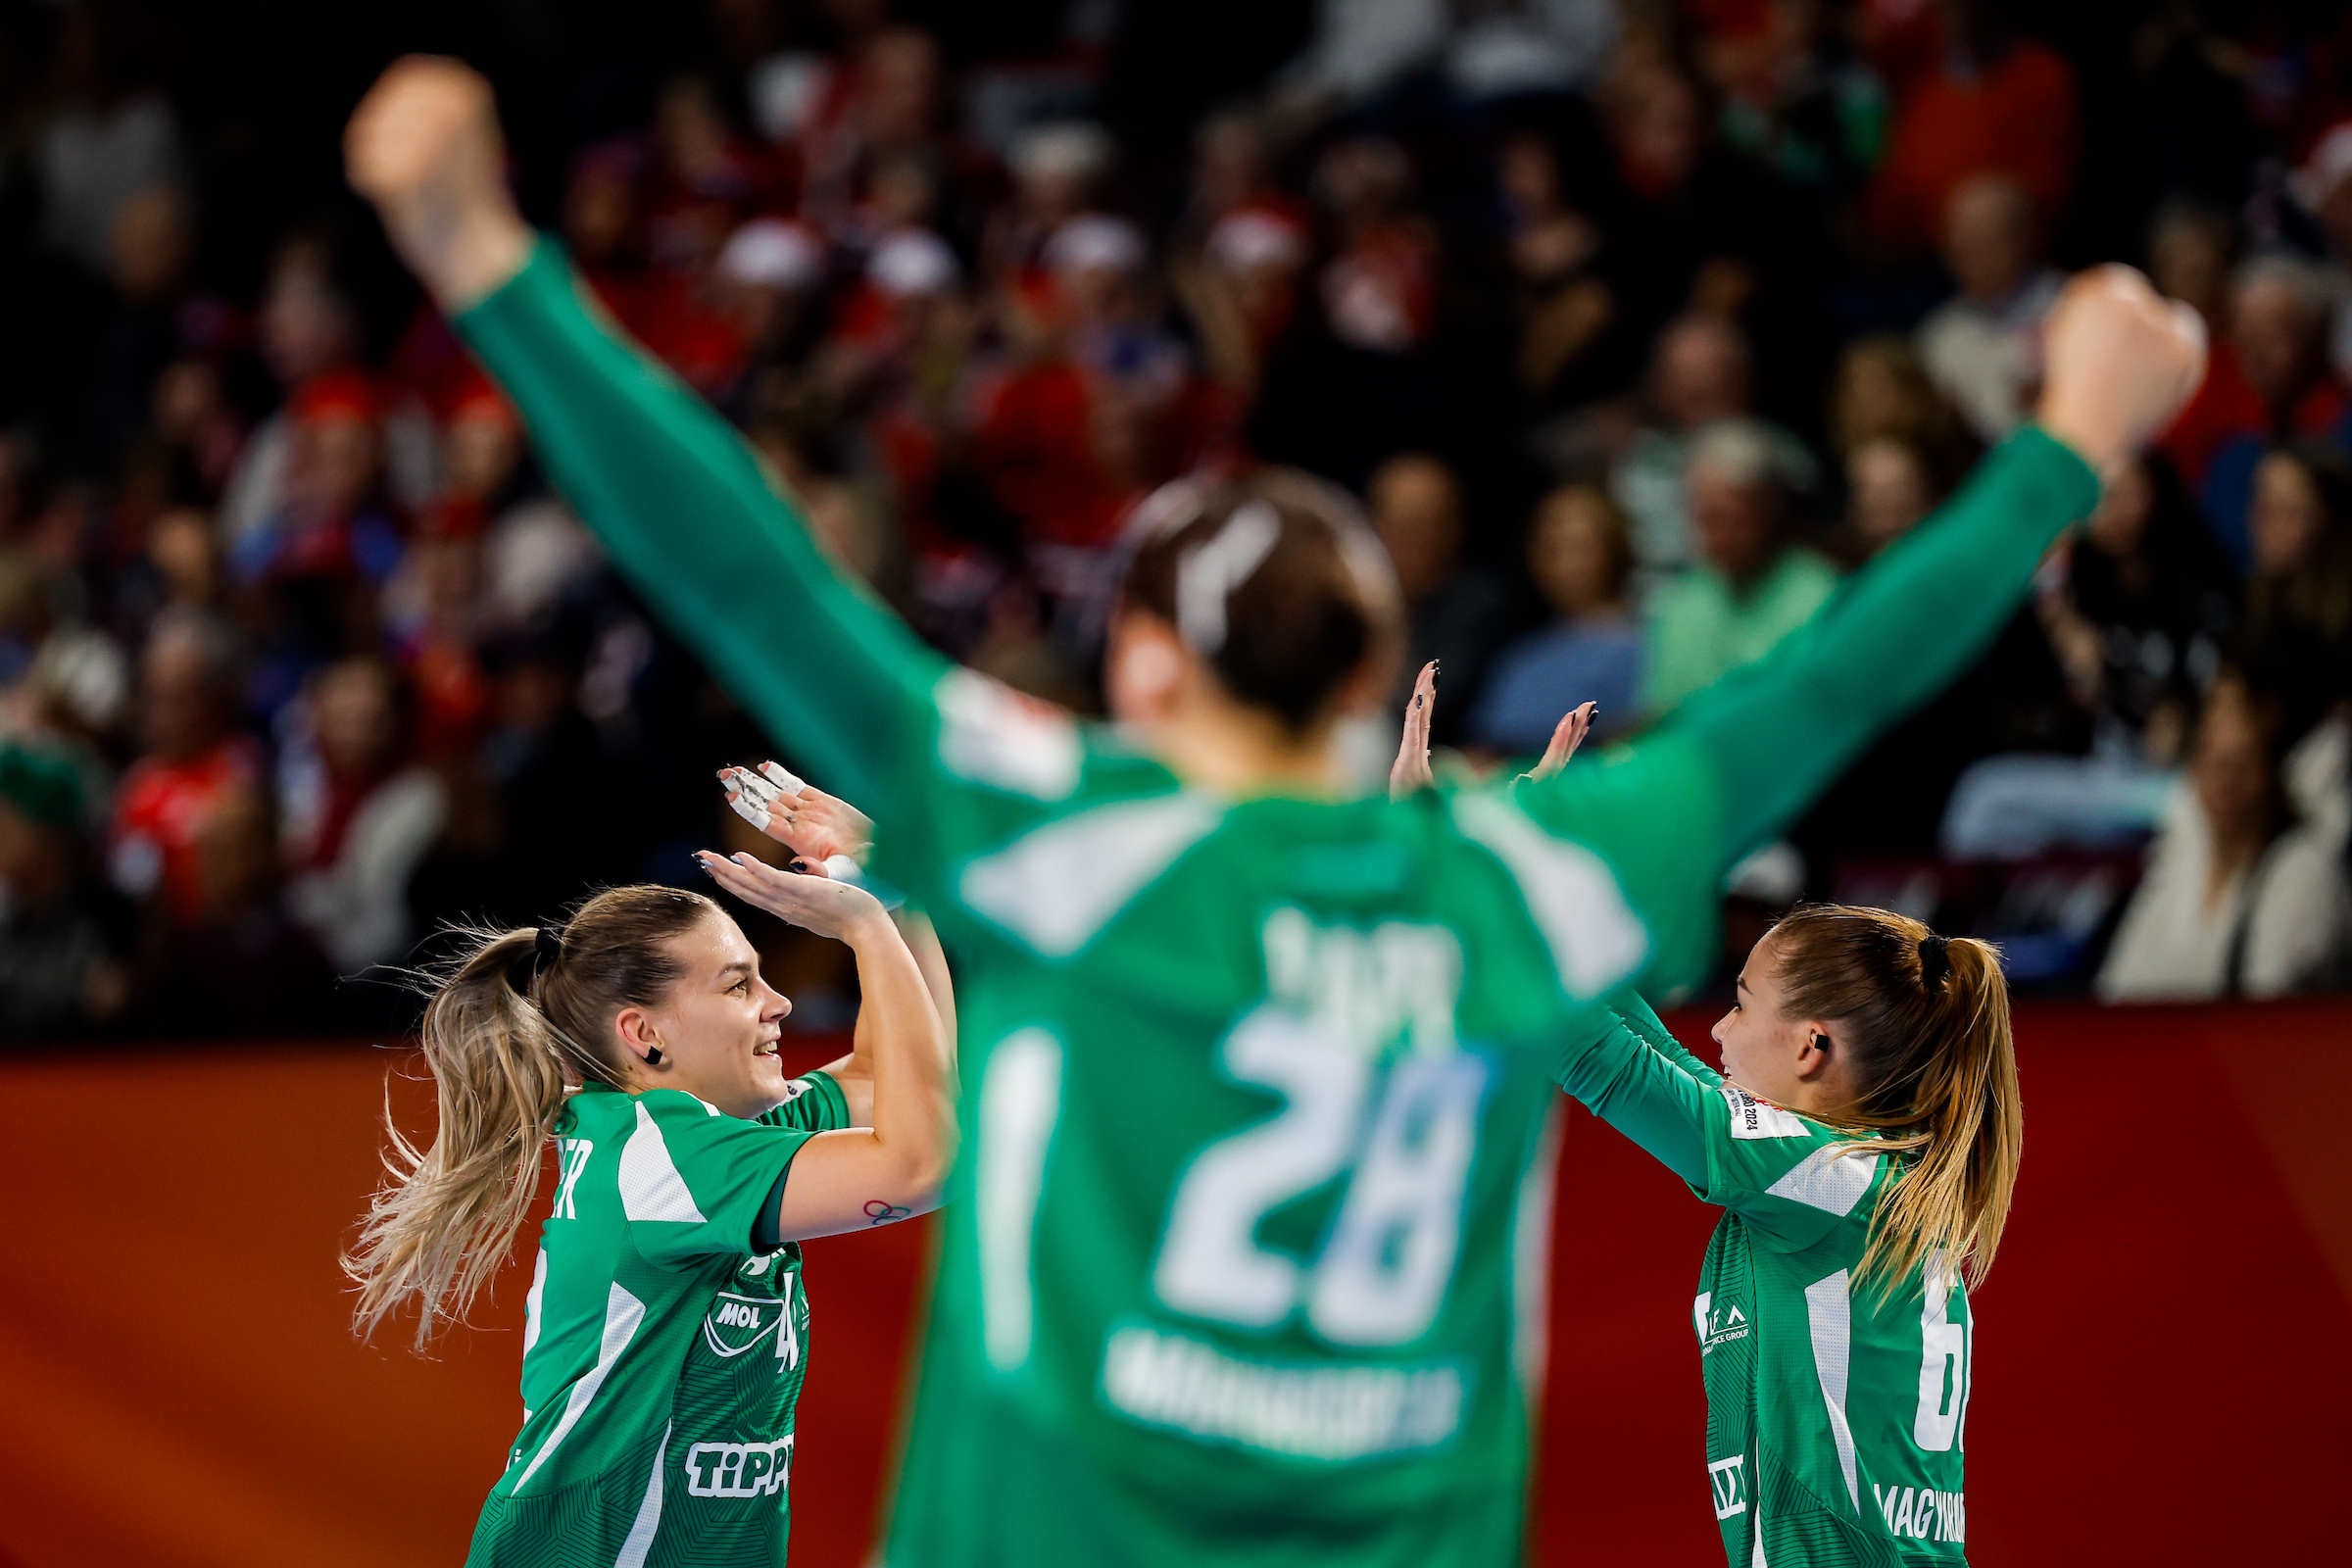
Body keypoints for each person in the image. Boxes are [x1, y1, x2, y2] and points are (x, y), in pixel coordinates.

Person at [344, 56, 2200, 1568]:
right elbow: (1837, 684)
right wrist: (2070, 443)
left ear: (1145, 669)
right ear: (1374, 665)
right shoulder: (1524, 888)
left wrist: (483, 257)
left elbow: (754, 582)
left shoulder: (1066, 846)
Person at [345, 866, 956, 1567]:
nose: (779, 1002)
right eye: (739, 986)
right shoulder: (661, 1156)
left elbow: (894, 1078)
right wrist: (867, 927)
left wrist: (897, 889)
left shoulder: (708, 1137)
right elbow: (923, 1163)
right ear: (644, 1034)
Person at [1555, 907, 2019, 1565]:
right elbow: (1663, 1059)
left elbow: (1606, 1063)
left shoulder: (1827, 1179)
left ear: (1810, 1046)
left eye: (1740, 1006)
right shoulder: (1851, 1177)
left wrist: (1477, 912)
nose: (1718, 1029)